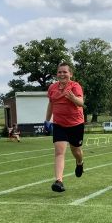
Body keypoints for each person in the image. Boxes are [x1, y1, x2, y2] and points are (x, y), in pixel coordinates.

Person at [45, 62, 85, 192]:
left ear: (70, 74)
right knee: (59, 152)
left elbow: (81, 103)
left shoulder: (75, 86)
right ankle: (59, 181)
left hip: (75, 124)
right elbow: (51, 104)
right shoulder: (52, 88)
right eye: (59, 72)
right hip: (59, 124)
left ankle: (80, 163)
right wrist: (47, 120)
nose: (62, 74)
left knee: (76, 151)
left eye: (65, 72)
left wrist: (73, 98)